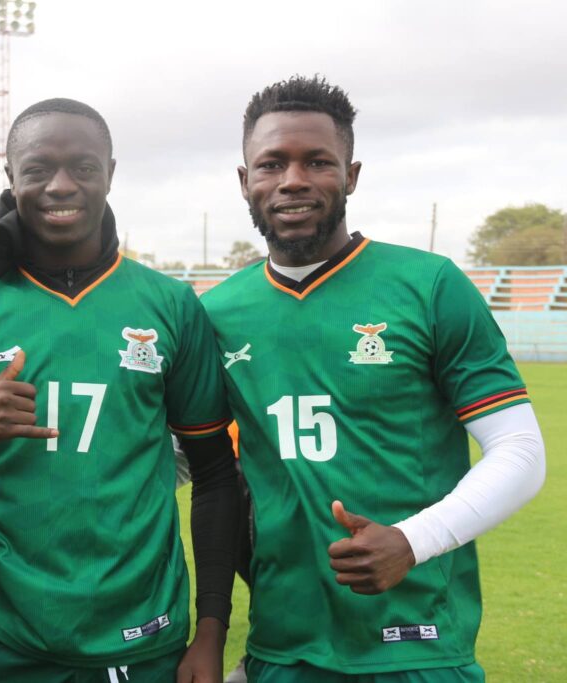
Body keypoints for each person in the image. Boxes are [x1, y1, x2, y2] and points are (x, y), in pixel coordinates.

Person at [201, 75, 546, 681]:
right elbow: (189, 458)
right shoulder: (216, 314)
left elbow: (520, 451)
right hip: (283, 646)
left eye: (318, 162)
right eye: (271, 164)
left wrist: (414, 539)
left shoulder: (430, 286)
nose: (293, 181)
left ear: (352, 175)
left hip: (419, 644)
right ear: (244, 180)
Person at [0, 98, 243, 682]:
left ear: (111, 172)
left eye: (83, 168)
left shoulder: (169, 304)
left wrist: (211, 626)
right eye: (37, 170)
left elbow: (214, 473)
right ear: (12, 178)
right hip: (1, 642)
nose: (61, 186)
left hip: (143, 640)